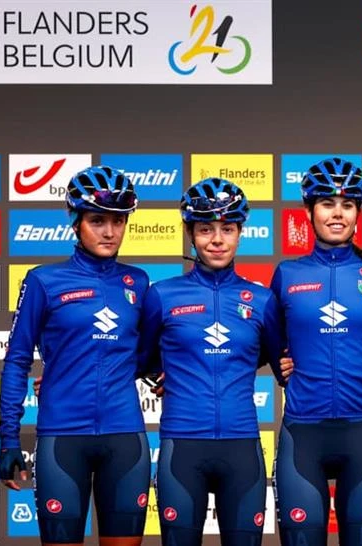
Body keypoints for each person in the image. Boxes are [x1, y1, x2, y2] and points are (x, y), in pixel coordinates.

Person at [0, 166, 151, 546]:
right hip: (63, 439)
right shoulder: (43, 281)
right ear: (76, 222)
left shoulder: (139, 281)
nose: (109, 232)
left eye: (118, 221)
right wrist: (8, 439)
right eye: (97, 220)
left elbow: (150, 355)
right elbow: (17, 360)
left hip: (125, 438)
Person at [137, 178, 286, 546]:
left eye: (227, 229)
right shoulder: (162, 295)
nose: (217, 240)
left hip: (242, 447)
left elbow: (281, 360)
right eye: (206, 229)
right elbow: (137, 358)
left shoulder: (262, 300)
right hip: (182, 447)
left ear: (240, 233)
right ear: (190, 233)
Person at [271, 157, 362, 546]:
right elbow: (264, 337)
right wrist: (281, 366)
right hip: (302, 436)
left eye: (347, 204)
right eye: (327, 204)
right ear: (309, 211)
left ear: (358, 212)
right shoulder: (287, 274)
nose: (338, 213)